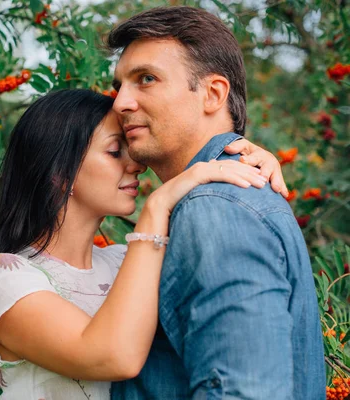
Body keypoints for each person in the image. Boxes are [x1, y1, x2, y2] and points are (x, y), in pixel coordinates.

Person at [0, 88, 289, 399]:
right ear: (60, 173)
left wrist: (248, 160)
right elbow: (114, 356)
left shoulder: (125, 262)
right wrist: (157, 206)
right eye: (114, 151)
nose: (136, 164)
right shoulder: (5, 279)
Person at [107, 6, 325, 399]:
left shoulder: (214, 208)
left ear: (213, 94)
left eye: (146, 79)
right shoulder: (213, 200)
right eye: (119, 85)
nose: (120, 102)